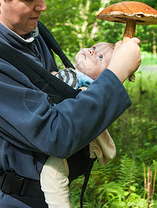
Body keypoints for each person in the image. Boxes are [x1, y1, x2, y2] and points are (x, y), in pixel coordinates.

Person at [0, 0, 141, 208]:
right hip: (9, 200)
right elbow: (55, 134)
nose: (43, 6)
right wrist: (115, 75)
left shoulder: (32, 34)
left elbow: (62, 101)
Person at [41, 42, 116, 207]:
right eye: (94, 48)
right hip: (55, 135)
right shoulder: (73, 75)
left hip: (73, 146)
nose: (92, 51)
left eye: (100, 57)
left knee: (51, 174)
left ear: (104, 77)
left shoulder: (88, 88)